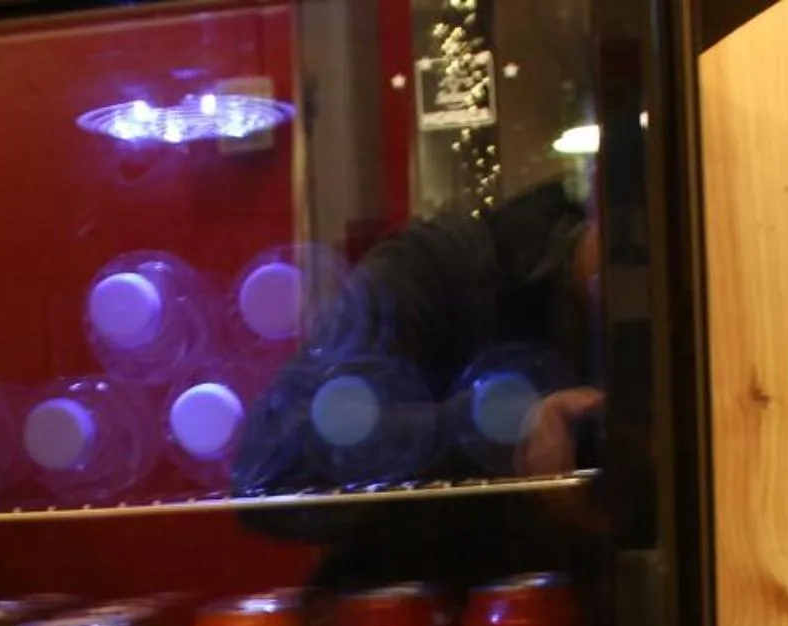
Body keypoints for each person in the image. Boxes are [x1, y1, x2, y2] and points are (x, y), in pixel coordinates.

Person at [232, 179, 607, 590]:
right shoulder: (444, 269)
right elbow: (271, 470)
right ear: (606, 206)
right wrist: (505, 431)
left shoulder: (674, 324)